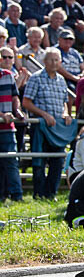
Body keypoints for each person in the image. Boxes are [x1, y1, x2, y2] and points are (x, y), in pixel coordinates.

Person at [22, 48, 75, 199]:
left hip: (57, 127)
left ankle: (52, 193)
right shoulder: (36, 78)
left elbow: (65, 103)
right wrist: (43, 115)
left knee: (57, 160)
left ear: (60, 62)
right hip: (40, 126)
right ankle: (39, 194)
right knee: (39, 161)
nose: (53, 62)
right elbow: (26, 102)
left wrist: (66, 113)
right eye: (50, 59)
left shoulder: (61, 80)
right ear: (44, 61)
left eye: (56, 60)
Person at [0, 50, 24, 202]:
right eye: (4, 57)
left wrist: (17, 110)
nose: (7, 59)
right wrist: (2, 115)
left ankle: (17, 196)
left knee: (11, 162)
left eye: (9, 57)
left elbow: (15, 97)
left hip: (8, 127)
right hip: (5, 122)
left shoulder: (8, 75)